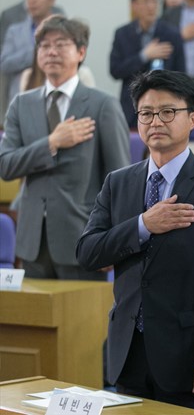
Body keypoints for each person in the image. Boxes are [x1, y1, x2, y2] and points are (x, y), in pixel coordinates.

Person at [76, 70, 194, 413]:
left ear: (193, 118)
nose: (156, 121)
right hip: (127, 352)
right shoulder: (118, 182)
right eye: (146, 113)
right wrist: (143, 225)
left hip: (187, 357)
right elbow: (88, 252)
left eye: (168, 112)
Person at [0, 15, 130, 280]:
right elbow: (5, 165)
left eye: (60, 44)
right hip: (32, 241)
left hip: (84, 238)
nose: (51, 52)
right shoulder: (21, 105)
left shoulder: (102, 105)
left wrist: (112, 240)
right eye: (44, 46)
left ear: (81, 52)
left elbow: (121, 178)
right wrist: (51, 143)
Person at [110, 0, 185, 128]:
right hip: (131, 108)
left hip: (164, 108)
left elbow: (181, 74)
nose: (151, 6)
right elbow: (115, 70)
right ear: (134, 5)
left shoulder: (172, 34)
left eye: (155, 1)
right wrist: (144, 56)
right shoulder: (122, 34)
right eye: (146, 1)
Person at [0, 0, 63, 127]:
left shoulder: (63, 30)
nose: (33, 0)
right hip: (20, 97)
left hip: (55, 99)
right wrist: (36, 53)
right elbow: (4, 63)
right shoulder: (15, 31)